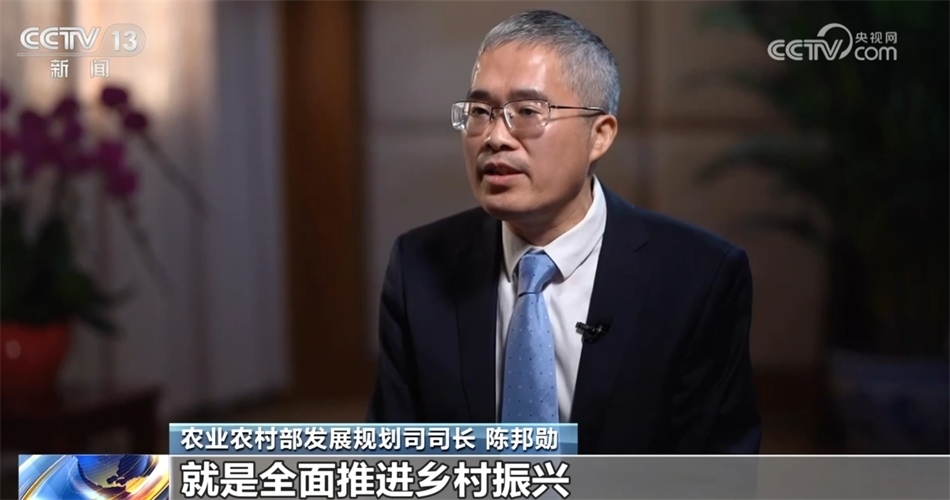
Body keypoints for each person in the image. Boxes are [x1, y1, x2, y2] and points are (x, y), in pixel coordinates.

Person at [367, 9, 761, 454]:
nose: (494, 137)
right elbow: (394, 459)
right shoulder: (418, 266)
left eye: (527, 111)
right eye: (480, 111)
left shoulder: (699, 277)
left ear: (599, 135)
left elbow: (714, 472)